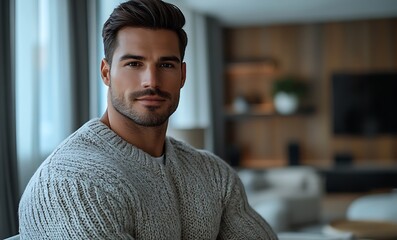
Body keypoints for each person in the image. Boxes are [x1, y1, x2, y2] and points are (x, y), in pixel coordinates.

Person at [18, 0, 277, 239]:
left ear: (183, 75)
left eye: (166, 65)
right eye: (134, 64)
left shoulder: (213, 173)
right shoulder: (70, 183)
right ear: (106, 72)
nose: (151, 81)